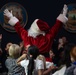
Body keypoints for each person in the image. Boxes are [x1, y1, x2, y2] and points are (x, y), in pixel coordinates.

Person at [3, 4, 68, 62]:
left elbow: (19, 28)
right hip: (45, 62)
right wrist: (63, 15)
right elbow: (56, 28)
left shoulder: (27, 37)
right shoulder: (48, 37)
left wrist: (11, 17)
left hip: (30, 63)